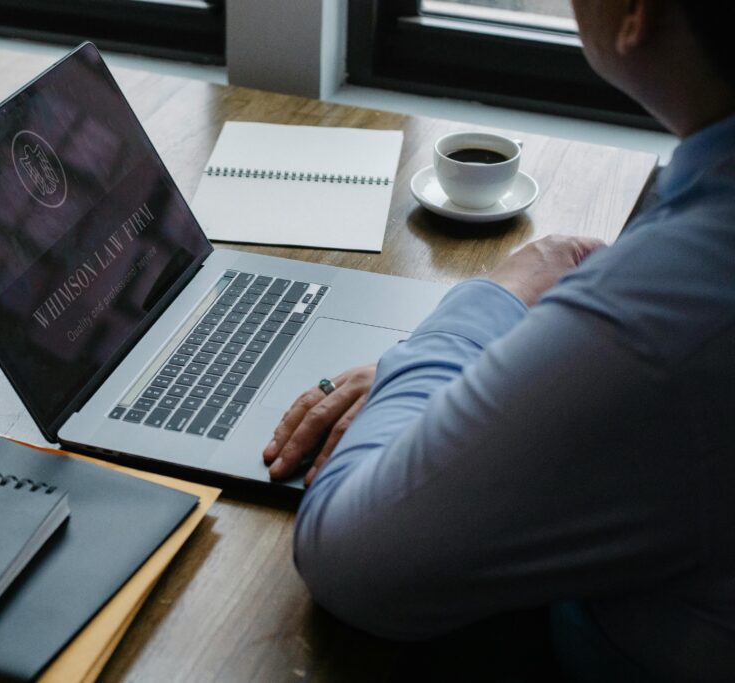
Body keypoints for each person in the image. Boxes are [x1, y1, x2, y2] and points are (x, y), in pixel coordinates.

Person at [264, 1, 735, 679]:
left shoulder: (671, 312)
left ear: (637, 13)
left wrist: (497, 300)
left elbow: (348, 555)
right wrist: (450, 377)